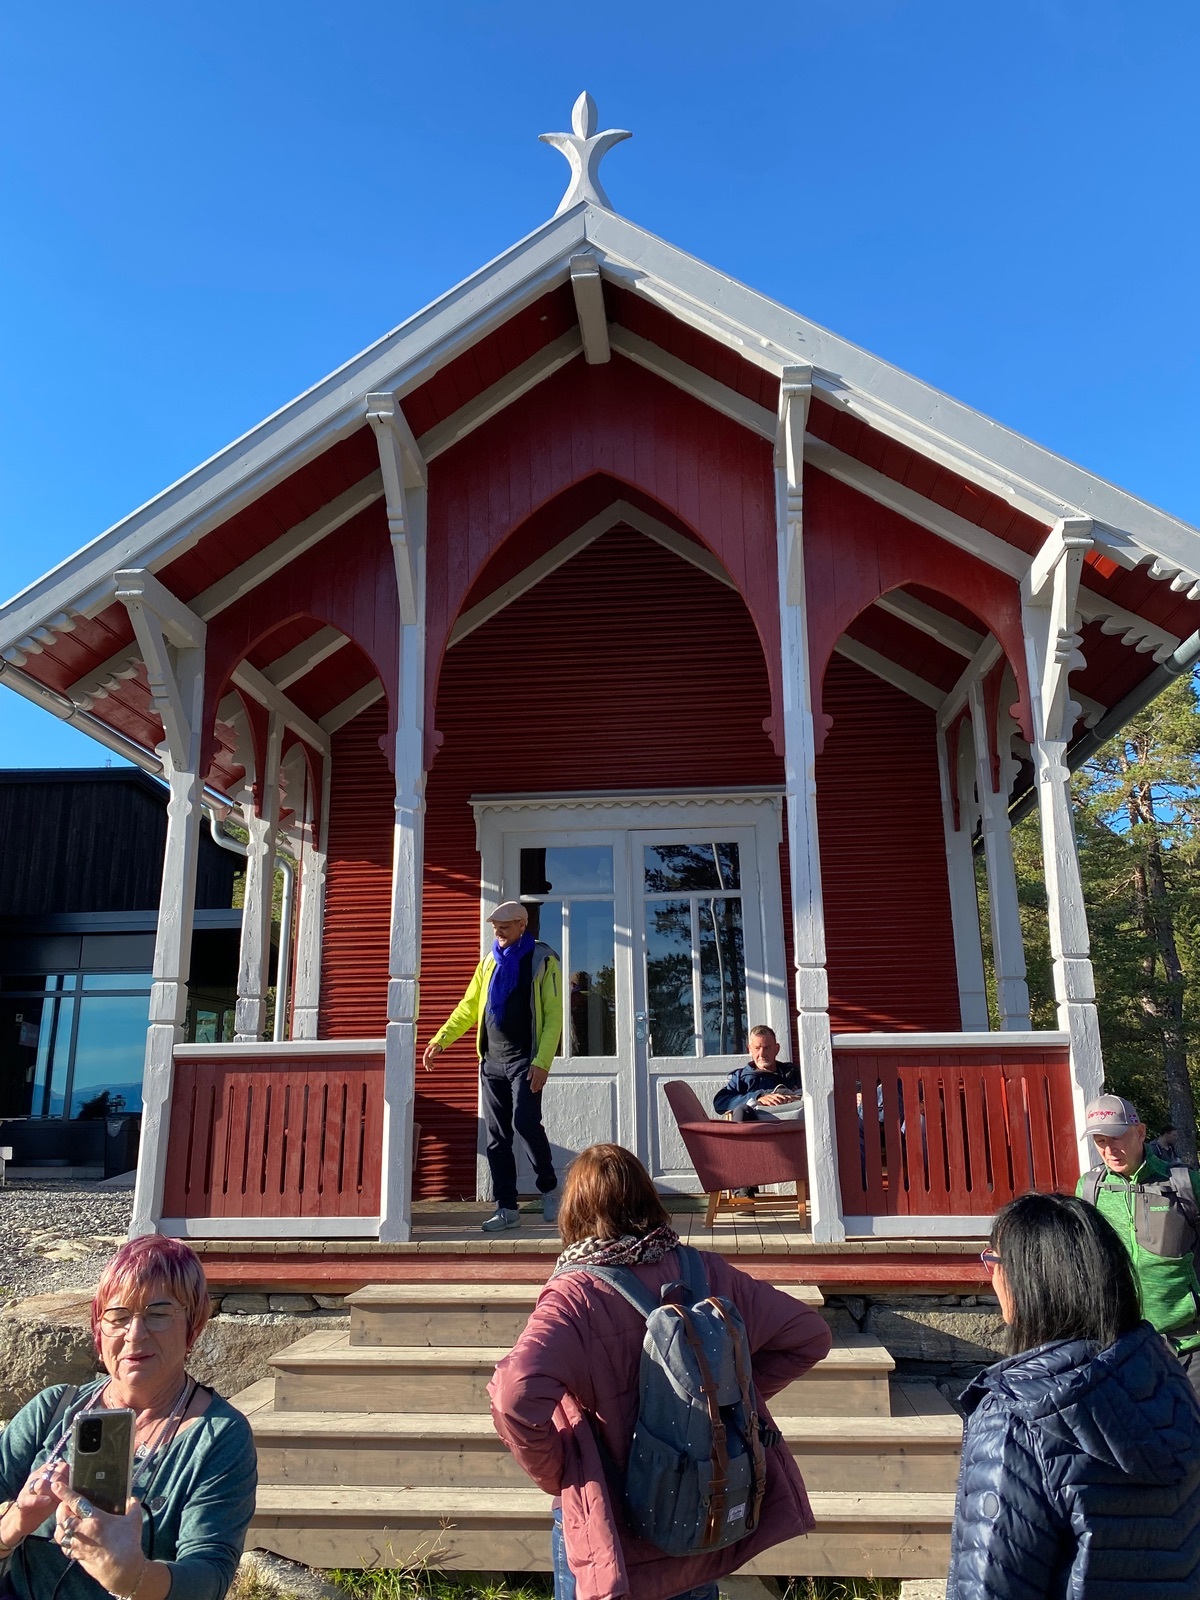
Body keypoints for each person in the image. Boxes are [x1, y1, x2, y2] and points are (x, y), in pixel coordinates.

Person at [489, 1143, 832, 1600]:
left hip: (615, 1530)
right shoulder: (703, 1269)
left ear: (575, 1212)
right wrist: (721, 1407)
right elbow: (810, 1335)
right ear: (648, 1196)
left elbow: (513, 1397)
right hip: (700, 1513)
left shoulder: (574, 1296)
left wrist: (559, 1470)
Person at [947, 1191, 1200, 1597]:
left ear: (1029, 1280)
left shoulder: (1015, 1416)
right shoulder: (1161, 1372)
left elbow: (991, 1584)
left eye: (993, 1261)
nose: (991, 1276)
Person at [0, 1234, 257, 1600]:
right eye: (118, 1316)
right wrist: (13, 1524)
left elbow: (210, 1574)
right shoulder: (53, 1410)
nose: (135, 1334)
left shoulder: (218, 1437)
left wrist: (131, 1577)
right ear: (98, 1329)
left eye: (158, 1314)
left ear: (193, 1327)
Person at [423, 900, 563, 1232]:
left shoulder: (542, 960)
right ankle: (506, 1208)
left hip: (525, 1060)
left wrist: (543, 1062)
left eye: (505, 926)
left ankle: (550, 1189)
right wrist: (441, 1039)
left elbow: (553, 1016)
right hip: (492, 1062)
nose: (498, 932)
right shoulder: (489, 962)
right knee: (497, 1136)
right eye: (495, 927)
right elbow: (469, 1006)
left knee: (525, 1122)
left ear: (522, 926)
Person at [1075, 1092, 1200, 1395]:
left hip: (1190, 1344)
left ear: (1141, 1132)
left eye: (1117, 1138)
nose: (1109, 1150)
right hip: (1123, 1348)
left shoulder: (1184, 1184)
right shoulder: (1090, 1189)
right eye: (1100, 1141)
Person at [713, 1025, 803, 1199]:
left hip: (792, 1135)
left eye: (767, 1048)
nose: (762, 1053)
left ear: (776, 1049)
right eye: (757, 1048)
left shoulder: (792, 1073)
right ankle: (743, 1191)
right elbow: (720, 1102)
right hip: (757, 1139)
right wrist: (758, 1097)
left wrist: (795, 1096)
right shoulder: (741, 1077)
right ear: (750, 1049)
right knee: (741, 1110)